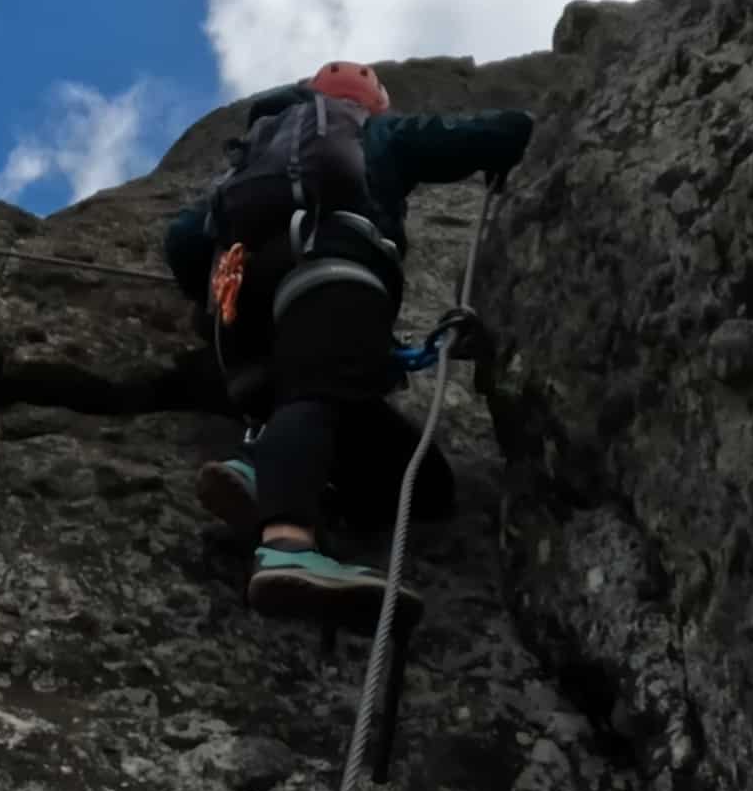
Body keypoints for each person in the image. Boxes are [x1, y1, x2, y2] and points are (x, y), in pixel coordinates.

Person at [161, 62, 532, 620]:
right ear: (371, 102)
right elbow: (484, 136)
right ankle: (288, 546)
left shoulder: (248, 165)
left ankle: (266, 471)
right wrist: (521, 128)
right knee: (318, 394)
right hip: (335, 270)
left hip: (246, 314)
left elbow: (184, 238)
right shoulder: (371, 130)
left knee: (425, 484)